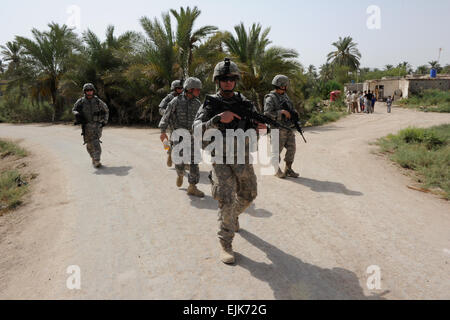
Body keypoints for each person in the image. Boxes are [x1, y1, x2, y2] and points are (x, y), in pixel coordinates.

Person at [193, 58, 266, 264]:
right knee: (225, 199)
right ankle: (225, 242)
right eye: (224, 79)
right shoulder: (210, 103)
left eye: (231, 78)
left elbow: (253, 131)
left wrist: (258, 129)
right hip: (221, 158)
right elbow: (196, 129)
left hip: (241, 157)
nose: (228, 82)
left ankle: (232, 216)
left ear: (236, 80)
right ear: (218, 81)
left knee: (249, 194)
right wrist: (217, 119)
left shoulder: (245, 104)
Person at [159, 77, 205, 198]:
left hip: (192, 137)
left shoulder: (197, 103)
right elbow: (166, 116)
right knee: (179, 162)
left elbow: (201, 120)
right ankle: (180, 174)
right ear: (189, 89)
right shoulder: (175, 101)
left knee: (195, 162)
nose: (199, 92)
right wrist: (163, 131)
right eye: (197, 89)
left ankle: (192, 186)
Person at [264, 75, 300, 179]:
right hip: (276, 128)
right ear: (281, 85)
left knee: (292, 149)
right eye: (285, 85)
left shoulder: (285, 96)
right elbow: (267, 113)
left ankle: (288, 169)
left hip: (288, 127)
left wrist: (294, 113)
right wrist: (281, 112)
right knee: (276, 151)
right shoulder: (270, 98)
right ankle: (276, 169)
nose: (286, 87)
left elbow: (291, 107)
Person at [72, 83, 109, 168]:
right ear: (85, 91)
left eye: (90, 90)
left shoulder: (97, 101)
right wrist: (77, 114)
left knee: (96, 142)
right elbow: (74, 109)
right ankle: (93, 157)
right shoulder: (80, 101)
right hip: (86, 126)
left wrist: (105, 121)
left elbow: (106, 110)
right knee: (89, 144)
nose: (89, 92)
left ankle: (97, 160)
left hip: (97, 125)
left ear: (93, 91)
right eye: (87, 90)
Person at [159, 80, 184, 167]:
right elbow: (160, 108)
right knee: (173, 141)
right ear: (174, 88)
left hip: (182, 122)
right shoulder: (169, 98)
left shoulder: (184, 97)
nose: (181, 90)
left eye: (182, 88)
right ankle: (170, 153)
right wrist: (168, 113)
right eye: (179, 88)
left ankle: (180, 160)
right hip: (171, 122)